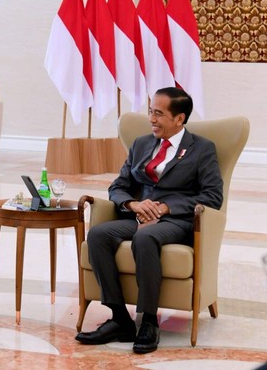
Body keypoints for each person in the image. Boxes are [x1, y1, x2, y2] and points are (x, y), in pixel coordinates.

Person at [75, 87, 223, 354]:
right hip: (138, 214)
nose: (151, 119)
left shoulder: (202, 149)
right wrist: (133, 203)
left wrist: (166, 208)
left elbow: (212, 197)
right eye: (150, 112)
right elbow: (118, 186)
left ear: (179, 119)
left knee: (145, 237)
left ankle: (148, 320)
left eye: (158, 113)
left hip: (176, 221)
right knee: (98, 235)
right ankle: (120, 318)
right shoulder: (141, 144)